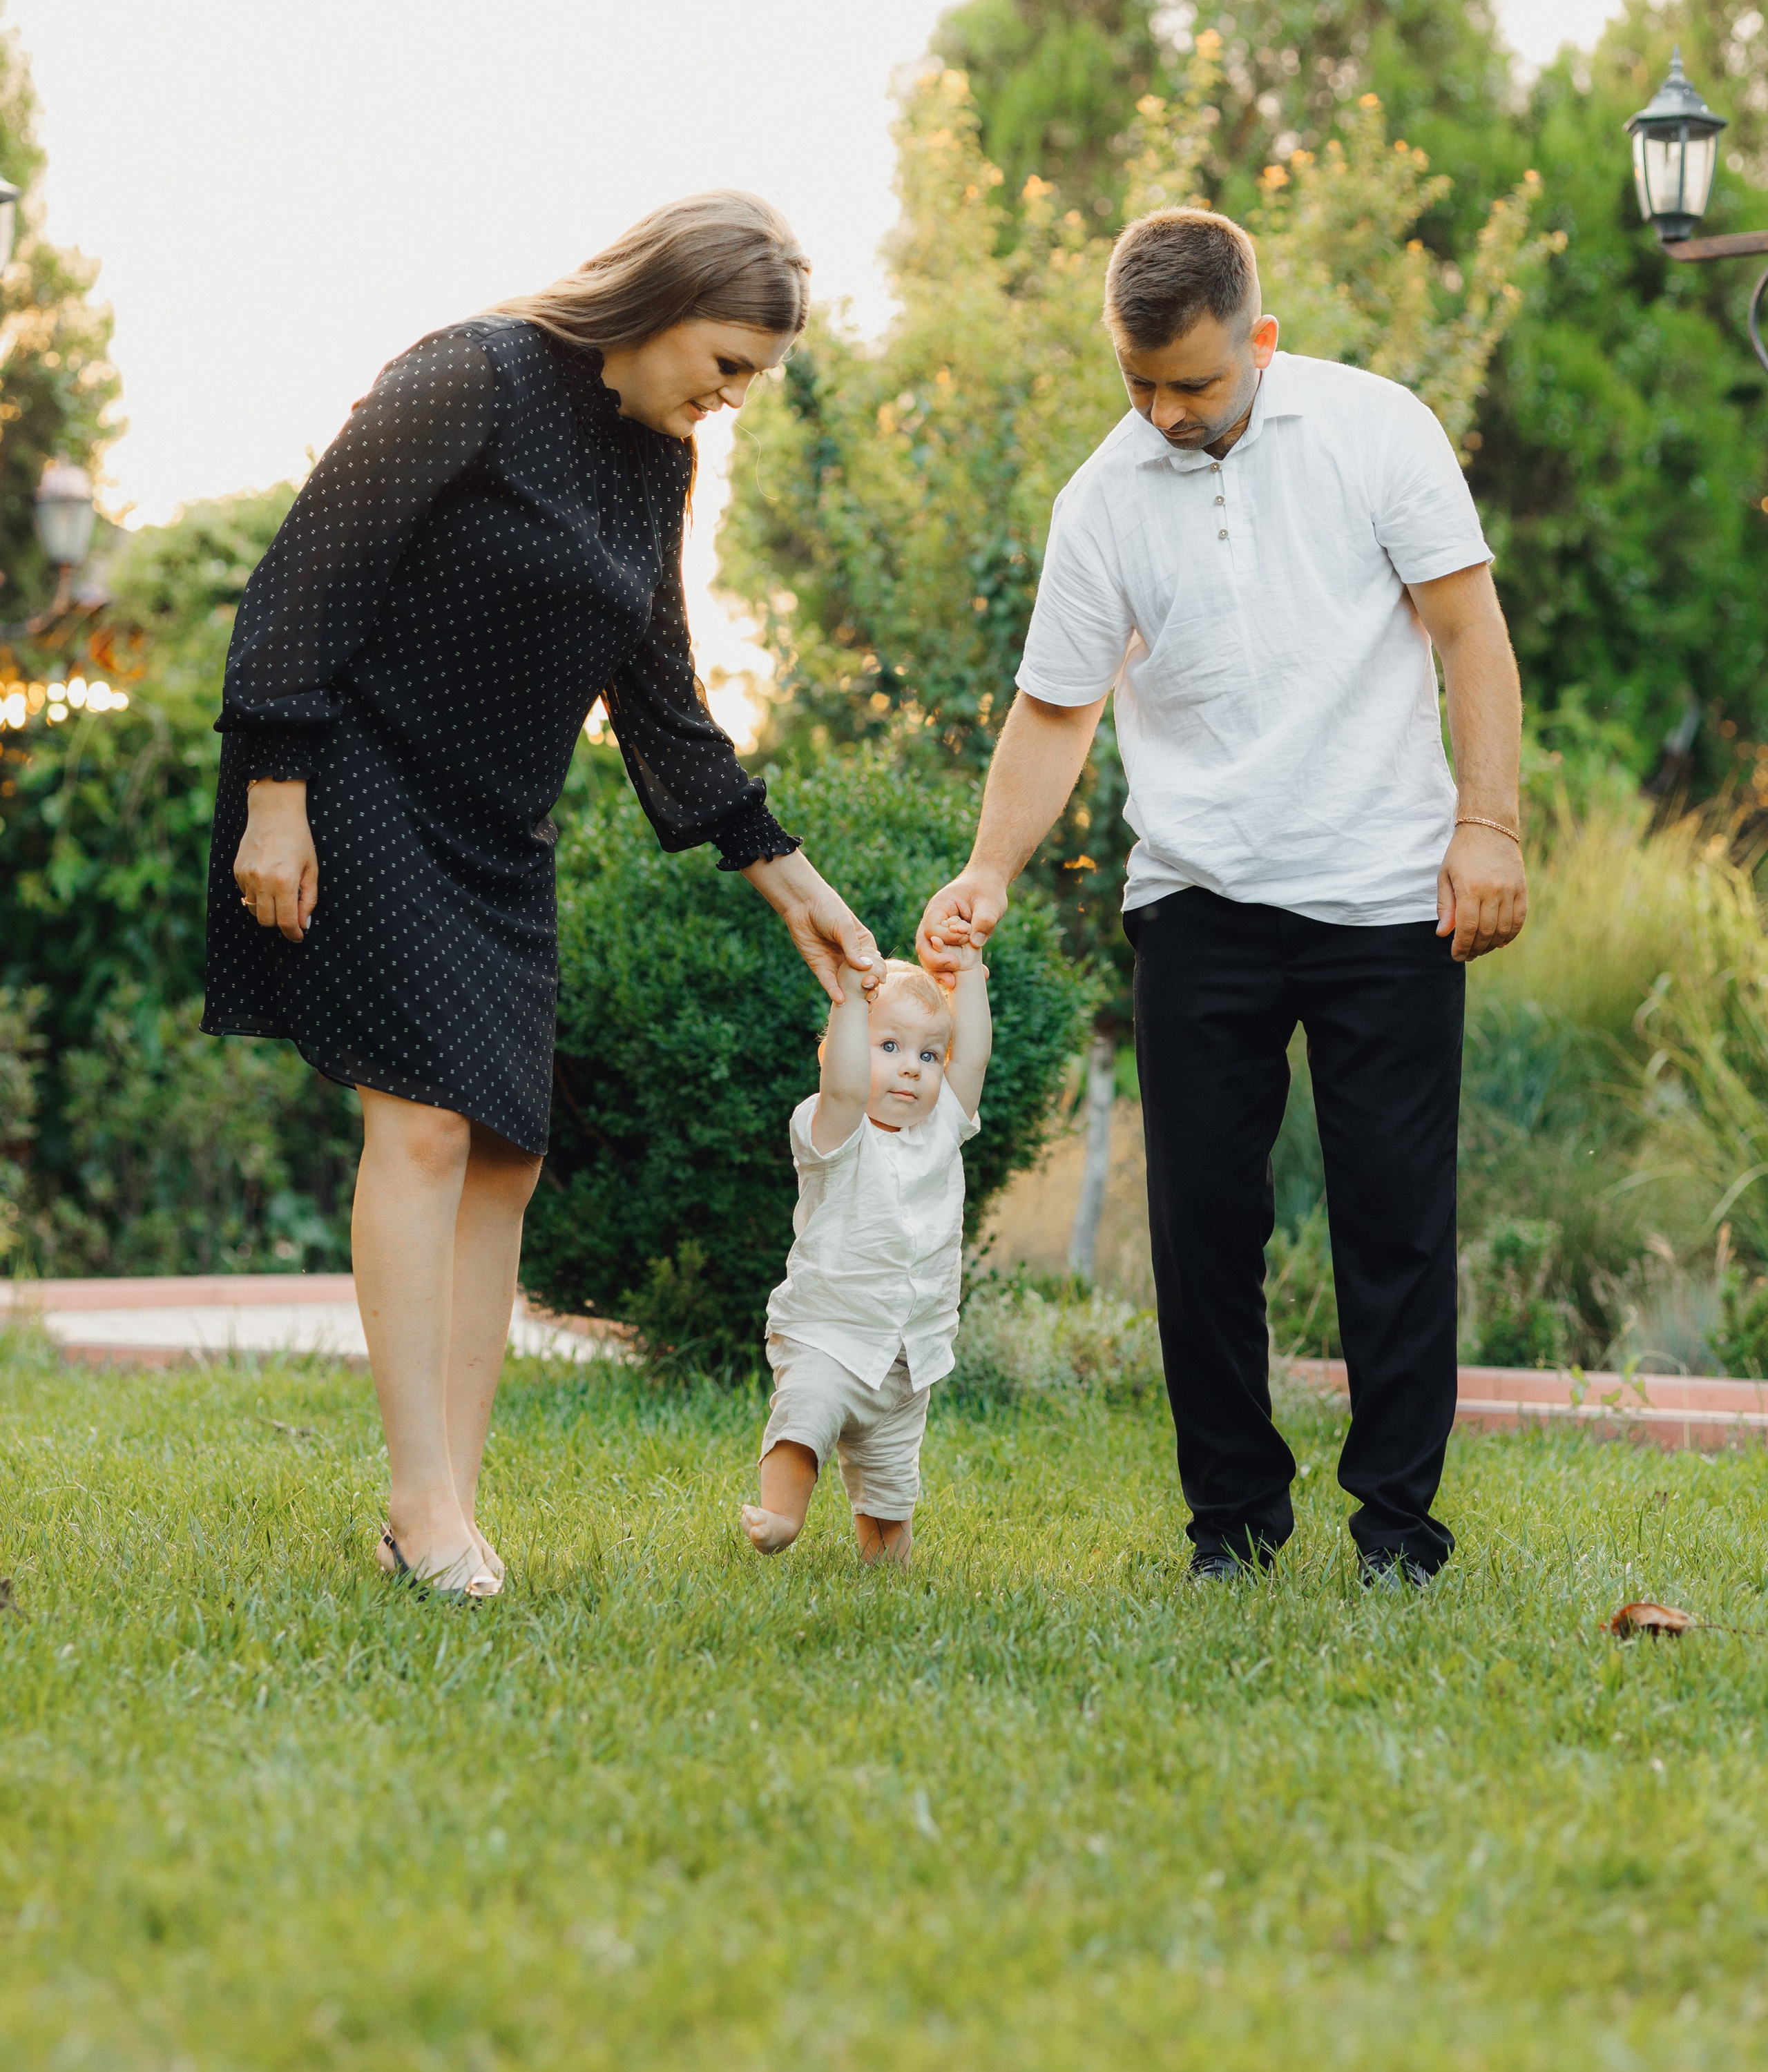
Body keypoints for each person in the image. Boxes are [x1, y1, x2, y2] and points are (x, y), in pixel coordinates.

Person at [205, 192, 882, 1599]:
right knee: (429, 1123)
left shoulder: (656, 461)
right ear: (650, 302)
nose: (733, 395)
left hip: (499, 826)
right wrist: (276, 788)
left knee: (506, 1148)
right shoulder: (472, 374)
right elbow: (307, 574)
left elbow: (658, 693)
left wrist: (789, 880)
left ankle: (436, 1508)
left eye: (753, 375)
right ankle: (421, 1500)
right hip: (359, 777)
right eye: (727, 359)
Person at [917, 207, 1526, 1589]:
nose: (1162, 412)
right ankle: (1231, 1529)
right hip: (1196, 901)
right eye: (1136, 385)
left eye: (1191, 383)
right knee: (1200, 1230)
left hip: (1384, 895)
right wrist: (986, 868)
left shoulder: (1377, 431)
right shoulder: (1103, 498)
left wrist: (1485, 828)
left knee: (1391, 1218)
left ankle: (1396, 1535)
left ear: (1258, 338)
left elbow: (1466, 631)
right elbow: (1053, 711)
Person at [742, 939, 992, 1568]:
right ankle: (780, 1516)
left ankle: (885, 1568)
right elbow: (848, 1088)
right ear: (840, 1057)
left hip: (909, 1356)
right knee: (807, 1420)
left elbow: (975, 1060)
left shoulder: (944, 1127)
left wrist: (970, 975)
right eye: (889, 1047)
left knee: (890, 1484)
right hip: (830, 1335)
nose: (912, 1067)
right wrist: (852, 999)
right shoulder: (834, 1129)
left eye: (928, 1054)